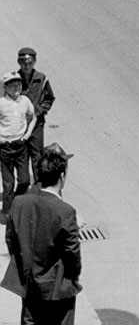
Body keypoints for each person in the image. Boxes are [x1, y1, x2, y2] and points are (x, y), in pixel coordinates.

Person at [1, 144, 82, 325]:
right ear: (62, 176)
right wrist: (73, 276)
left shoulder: (19, 203)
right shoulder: (66, 212)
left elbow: (10, 239)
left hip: (29, 284)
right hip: (57, 287)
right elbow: (72, 254)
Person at [15, 48, 53, 183]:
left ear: (34, 62)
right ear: (18, 62)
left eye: (30, 62)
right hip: (19, 125)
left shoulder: (41, 79)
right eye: (23, 62)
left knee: (37, 155)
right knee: (22, 155)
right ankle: (23, 184)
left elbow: (49, 98)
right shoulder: (14, 79)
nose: (27, 65)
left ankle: (38, 185)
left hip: (37, 124)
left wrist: (40, 110)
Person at [0, 73, 35, 221]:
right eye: (12, 84)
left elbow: (33, 117)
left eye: (19, 84)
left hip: (20, 146)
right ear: (5, 87)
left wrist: (26, 136)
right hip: (5, 147)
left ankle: (17, 203)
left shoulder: (25, 101)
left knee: (25, 180)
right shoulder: (1, 103)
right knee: (8, 185)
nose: (16, 87)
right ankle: (6, 213)